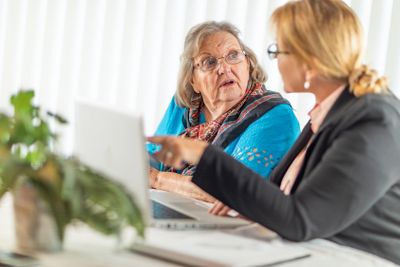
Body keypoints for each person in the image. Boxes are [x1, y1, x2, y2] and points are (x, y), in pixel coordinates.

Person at [148, 0, 400, 264]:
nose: (275, 59)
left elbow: (301, 220)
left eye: (279, 50)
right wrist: (244, 202)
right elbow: (279, 193)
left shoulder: (374, 120)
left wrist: (201, 153)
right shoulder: (330, 112)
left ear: (309, 59)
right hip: (310, 249)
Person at [147, 21, 299, 202]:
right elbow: (150, 158)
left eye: (233, 55)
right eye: (209, 62)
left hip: (231, 225)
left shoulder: (274, 116)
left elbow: (232, 190)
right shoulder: (183, 105)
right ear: (193, 81)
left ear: (248, 64)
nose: (224, 68)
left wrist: (158, 179)